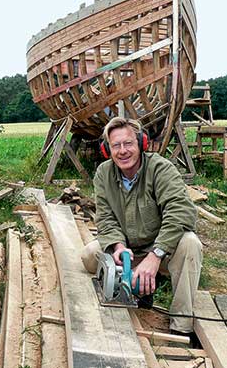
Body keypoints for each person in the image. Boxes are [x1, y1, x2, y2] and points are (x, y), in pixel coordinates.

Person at [81, 117, 203, 336]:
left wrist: (155, 256)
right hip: (129, 249)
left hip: (162, 250)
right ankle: (139, 278)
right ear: (107, 150)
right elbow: (106, 218)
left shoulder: (160, 168)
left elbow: (180, 212)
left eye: (128, 143)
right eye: (116, 145)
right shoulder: (103, 173)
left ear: (141, 143)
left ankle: (182, 326)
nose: (123, 151)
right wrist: (118, 247)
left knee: (191, 244)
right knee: (90, 255)